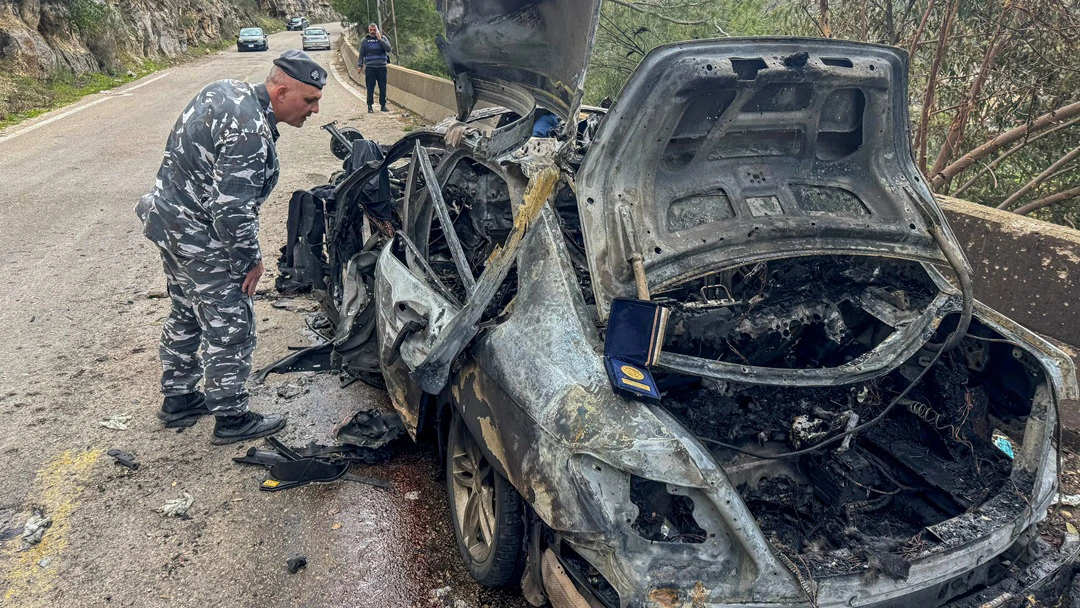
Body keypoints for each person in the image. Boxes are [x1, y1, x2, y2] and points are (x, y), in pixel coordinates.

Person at [135, 50, 325, 444]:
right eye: (309, 100)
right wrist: (249, 263)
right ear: (282, 91)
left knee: (187, 310)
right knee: (231, 325)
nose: (315, 110)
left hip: (168, 222)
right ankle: (232, 417)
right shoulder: (251, 132)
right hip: (200, 235)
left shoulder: (227, 90)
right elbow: (232, 210)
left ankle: (180, 397)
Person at [357, 23, 392, 113]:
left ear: (377, 30)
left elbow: (388, 49)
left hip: (381, 67)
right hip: (370, 67)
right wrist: (359, 66)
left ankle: (383, 105)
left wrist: (380, 40)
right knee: (370, 87)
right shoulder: (365, 40)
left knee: (383, 87)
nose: (372, 32)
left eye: (374, 30)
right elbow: (361, 55)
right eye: (371, 30)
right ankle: (369, 106)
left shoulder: (383, 38)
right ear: (369, 30)